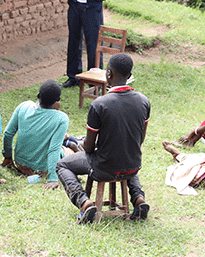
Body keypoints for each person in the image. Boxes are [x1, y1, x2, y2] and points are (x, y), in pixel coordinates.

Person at [56, 53, 151, 224]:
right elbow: (140, 139)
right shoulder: (144, 101)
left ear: (108, 74)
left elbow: (90, 148)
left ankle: (84, 204)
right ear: (129, 77)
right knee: (124, 155)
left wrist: (82, 144)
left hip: (104, 168)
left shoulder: (99, 104)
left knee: (62, 165)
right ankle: (139, 199)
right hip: (133, 165)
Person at [1, 80, 69, 190]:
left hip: (20, 165)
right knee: (69, 151)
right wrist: (53, 178)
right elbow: (54, 149)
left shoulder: (24, 106)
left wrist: (8, 157)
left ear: (38, 95)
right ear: (58, 101)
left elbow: (8, 134)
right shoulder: (61, 118)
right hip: (43, 170)